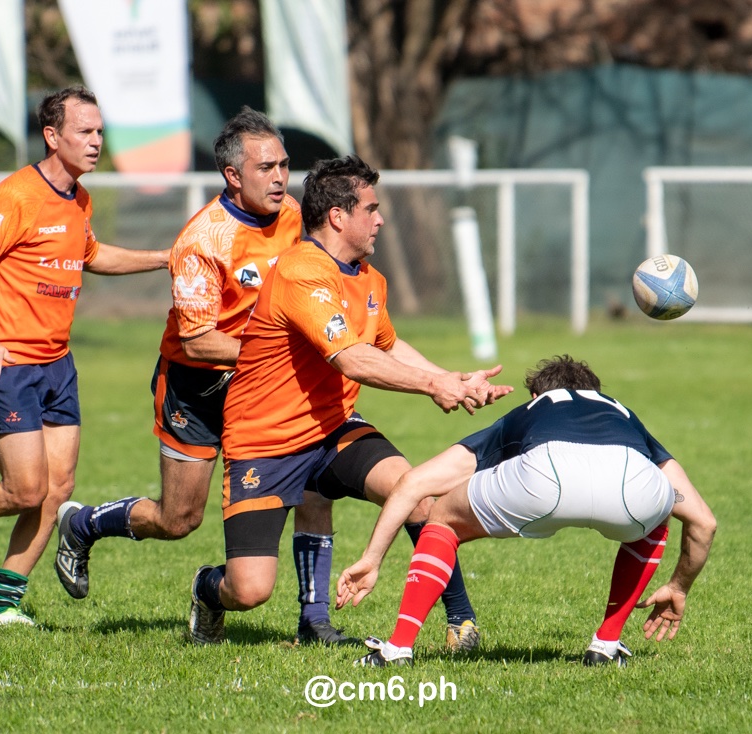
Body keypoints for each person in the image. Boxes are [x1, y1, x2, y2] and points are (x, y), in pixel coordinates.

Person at [186, 155, 513, 648]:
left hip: (334, 426)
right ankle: (207, 590)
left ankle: (459, 621)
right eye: (371, 208)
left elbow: (384, 345)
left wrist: (453, 379)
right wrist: (432, 387)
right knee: (249, 589)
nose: (380, 218)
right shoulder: (302, 271)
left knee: (419, 494)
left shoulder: (367, 277)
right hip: (265, 441)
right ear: (338, 216)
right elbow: (353, 360)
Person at [52, 107, 351, 643]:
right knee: (178, 518)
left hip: (264, 390)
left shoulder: (294, 221)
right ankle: (84, 524)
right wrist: (273, 354)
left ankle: (315, 620)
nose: (281, 177)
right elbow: (199, 340)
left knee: (313, 486)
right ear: (233, 175)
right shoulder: (204, 240)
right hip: (197, 388)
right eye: (266, 168)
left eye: (284, 164)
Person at [0, 86, 170, 625]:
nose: (96, 142)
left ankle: (1, 604)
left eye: (100, 132)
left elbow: (92, 254)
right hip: (8, 361)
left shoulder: (79, 199)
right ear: (52, 136)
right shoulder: (16, 195)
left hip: (57, 364)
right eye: (85, 132)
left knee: (57, 489)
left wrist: (163, 257)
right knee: (25, 489)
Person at [336, 354, 717, 667]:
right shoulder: (624, 415)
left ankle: (398, 648)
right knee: (658, 514)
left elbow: (414, 483)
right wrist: (678, 585)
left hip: (544, 475)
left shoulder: (534, 408)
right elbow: (704, 522)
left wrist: (372, 558)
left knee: (443, 518)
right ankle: (606, 644)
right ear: (596, 394)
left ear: (535, 395)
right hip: (632, 481)